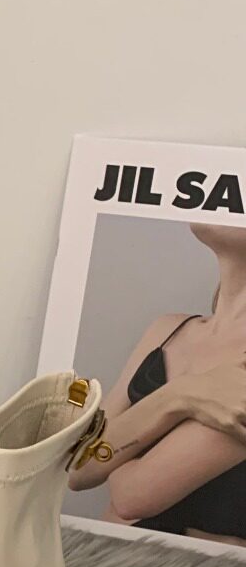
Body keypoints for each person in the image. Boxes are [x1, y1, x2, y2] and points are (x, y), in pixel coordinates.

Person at [69, 223, 246, 545]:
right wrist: (181, 394)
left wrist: (114, 451)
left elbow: (132, 496)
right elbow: (77, 470)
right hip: (105, 559)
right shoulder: (170, 328)